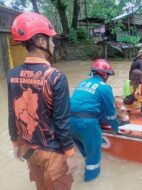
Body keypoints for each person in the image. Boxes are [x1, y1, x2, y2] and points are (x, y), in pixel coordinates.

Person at [7, 12, 77, 190]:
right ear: (40, 41)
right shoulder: (55, 77)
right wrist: (70, 153)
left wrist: (15, 142)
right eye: (51, 40)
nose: (53, 44)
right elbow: (62, 122)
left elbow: (12, 113)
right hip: (53, 152)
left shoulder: (12, 75)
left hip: (29, 150)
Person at [70, 59, 119, 182]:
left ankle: (86, 169)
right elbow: (111, 113)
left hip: (68, 123)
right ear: (105, 75)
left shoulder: (82, 83)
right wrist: (116, 129)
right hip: (86, 125)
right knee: (94, 162)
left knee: (87, 156)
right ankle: (90, 182)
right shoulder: (105, 87)